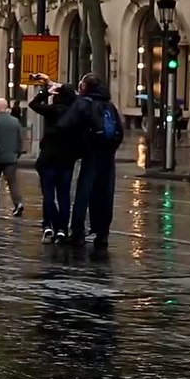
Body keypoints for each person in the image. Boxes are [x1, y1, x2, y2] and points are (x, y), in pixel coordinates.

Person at [57, 73, 124, 251]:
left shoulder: (84, 103)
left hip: (91, 153)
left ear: (85, 87)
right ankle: (102, 234)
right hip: (108, 154)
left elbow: (65, 126)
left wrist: (78, 147)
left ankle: (78, 232)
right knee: (105, 193)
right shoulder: (109, 105)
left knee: (84, 192)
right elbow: (120, 130)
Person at [30, 78, 79, 243]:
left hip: (49, 157)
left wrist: (46, 91)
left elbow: (33, 104)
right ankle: (62, 229)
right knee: (64, 195)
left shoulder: (52, 110)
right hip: (67, 160)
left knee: (48, 194)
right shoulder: (75, 113)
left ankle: (49, 226)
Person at [0, 98, 24, 217]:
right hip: (11, 156)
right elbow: (20, 138)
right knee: (12, 182)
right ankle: (18, 203)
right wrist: (18, 152)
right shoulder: (15, 121)